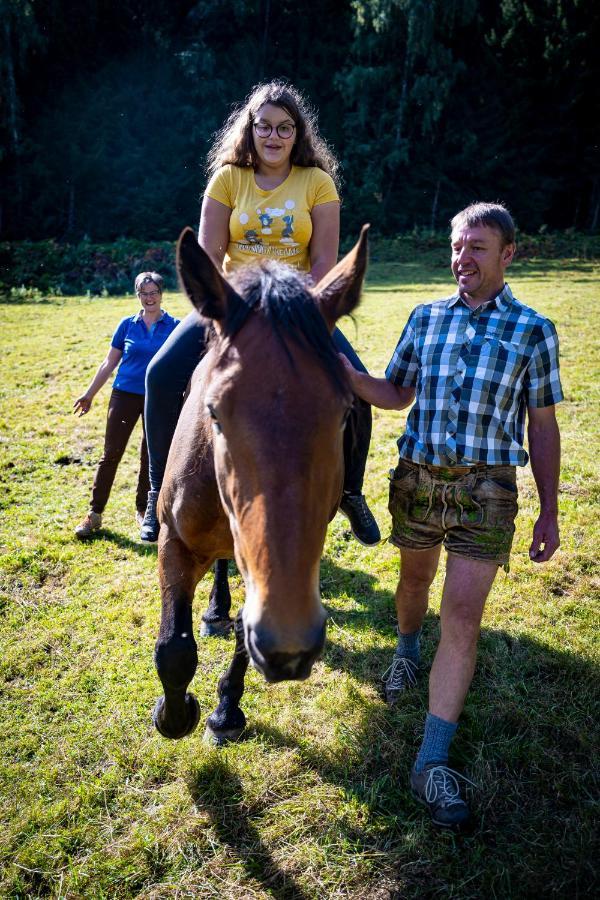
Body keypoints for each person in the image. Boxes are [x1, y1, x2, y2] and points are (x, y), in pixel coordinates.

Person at [341, 202, 563, 829]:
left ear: (508, 253)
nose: (463, 260)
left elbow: (542, 426)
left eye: (478, 248)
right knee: (413, 585)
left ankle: (431, 761)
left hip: (487, 490)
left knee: (462, 617)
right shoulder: (425, 316)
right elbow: (395, 391)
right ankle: (407, 650)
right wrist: (341, 371)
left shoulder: (533, 330)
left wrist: (549, 509)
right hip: (416, 479)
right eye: (457, 248)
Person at [141, 80, 380, 547]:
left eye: (285, 128)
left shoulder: (318, 183)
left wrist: (295, 311)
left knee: (358, 386)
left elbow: (324, 266)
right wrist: (237, 310)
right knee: (159, 374)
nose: (274, 137)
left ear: (298, 133)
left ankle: (350, 490)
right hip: (233, 306)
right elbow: (209, 255)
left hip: (296, 307)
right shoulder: (228, 179)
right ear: (249, 130)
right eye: (264, 126)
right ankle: (155, 492)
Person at [73, 272, 179, 538]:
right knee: (110, 454)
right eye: (144, 293)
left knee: (150, 456)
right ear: (137, 295)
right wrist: (89, 394)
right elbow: (109, 363)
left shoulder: (175, 326)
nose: (149, 298)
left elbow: (182, 365)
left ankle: (144, 512)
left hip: (158, 397)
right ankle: (94, 514)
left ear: (161, 293)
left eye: (154, 292)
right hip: (124, 395)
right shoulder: (127, 325)